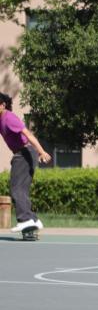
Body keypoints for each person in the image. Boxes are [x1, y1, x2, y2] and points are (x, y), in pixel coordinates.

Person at [0, 92, 51, 232]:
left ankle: (26, 219)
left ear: (2, 105)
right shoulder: (0, 119)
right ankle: (33, 219)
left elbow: (28, 134)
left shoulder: (9, 117)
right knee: (21, 188)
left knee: (16, 188)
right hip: (22, 153)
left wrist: (41, 151)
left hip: (24, 153)